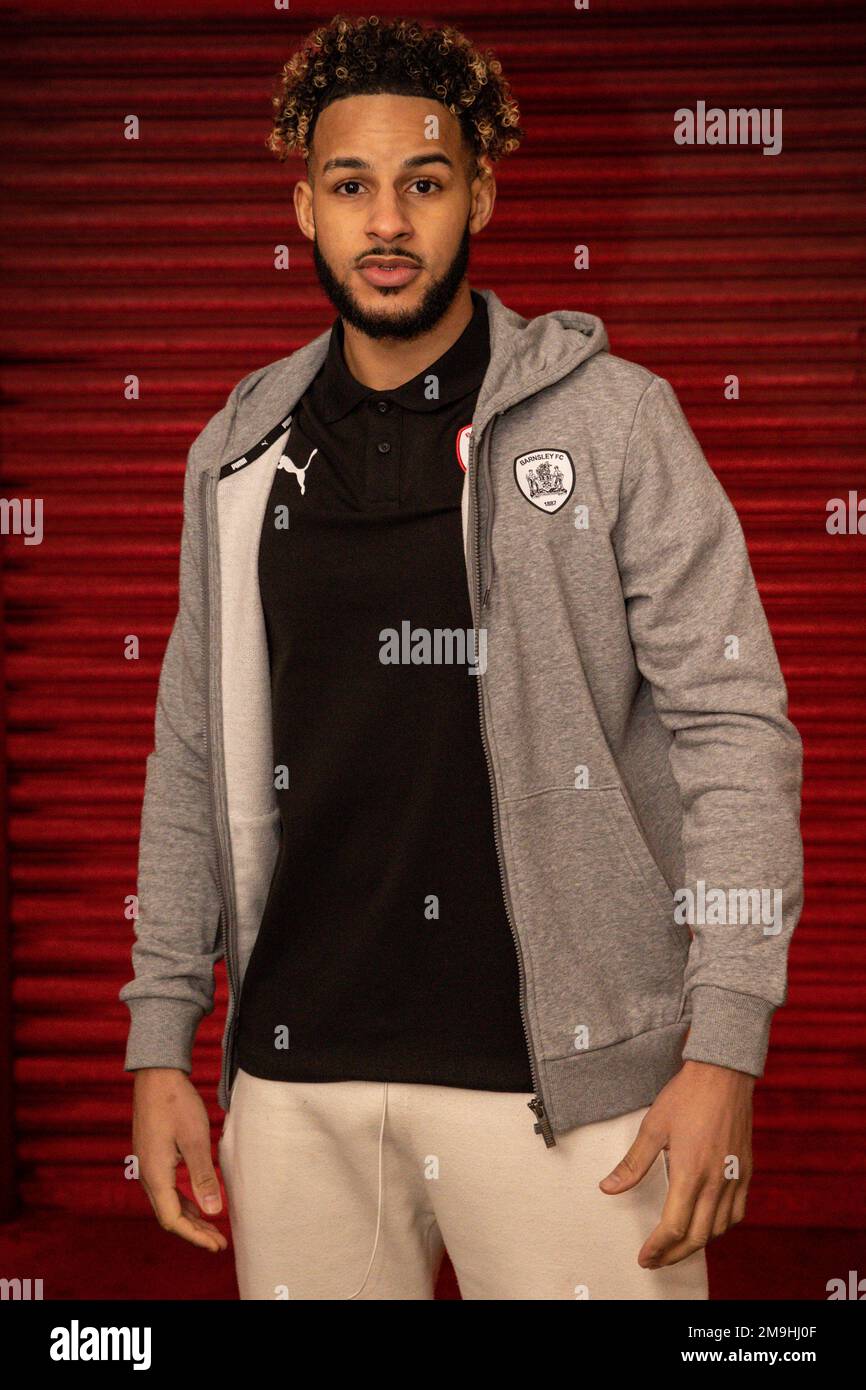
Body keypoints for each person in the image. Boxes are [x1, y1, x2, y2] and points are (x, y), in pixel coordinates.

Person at [120, 14, 804, 1301]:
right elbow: (192, 751)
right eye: (350, 185)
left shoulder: (608, 422)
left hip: (572, 1084)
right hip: (295, 1080)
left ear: (478, 190)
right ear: (305, 206)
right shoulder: (237, 448)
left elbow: (733, 734)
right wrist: (162, 1037)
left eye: (424, 183)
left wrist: (722, 1046)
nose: (387, 222)